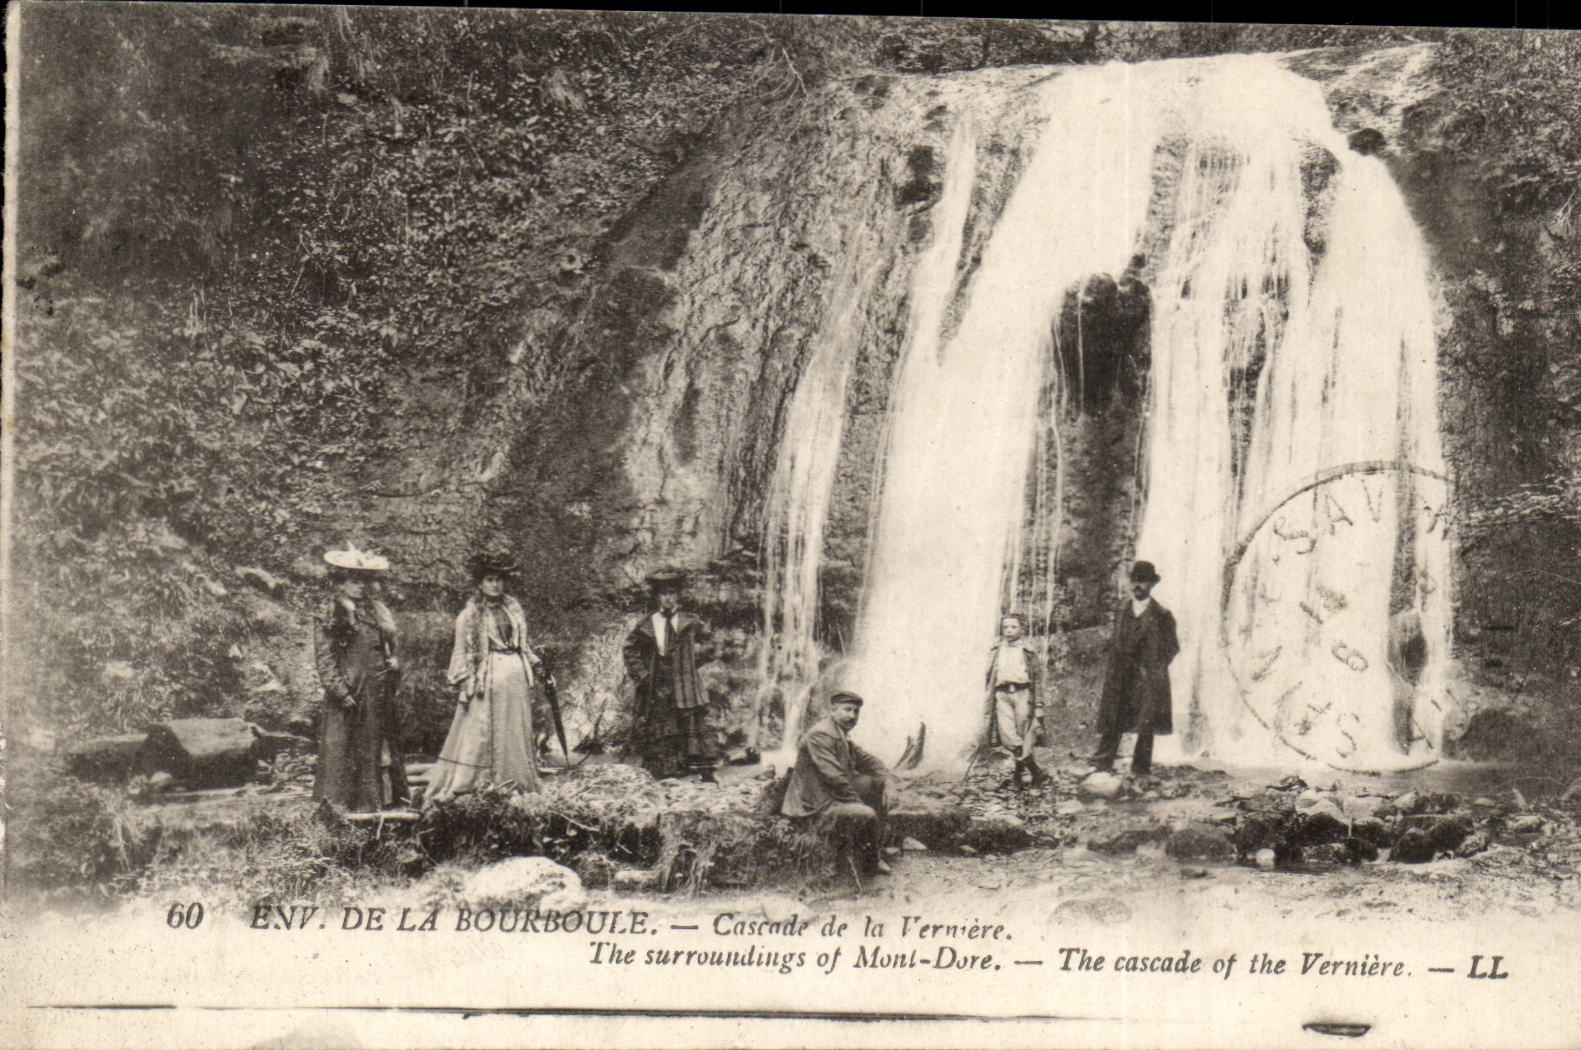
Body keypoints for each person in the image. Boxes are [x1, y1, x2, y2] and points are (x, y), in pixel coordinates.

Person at [424, 550, 544, 805]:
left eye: (499, 579)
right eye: (490, 579)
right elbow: (461, 651)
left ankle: (514, 782)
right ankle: (478, 783)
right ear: (480, 583)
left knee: (514, 729)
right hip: (487, 679)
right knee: (481, 729)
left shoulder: (513, 610)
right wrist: (465, 681)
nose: (495, 584)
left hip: (516, 678)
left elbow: (523, 645)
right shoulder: (469, 616)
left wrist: (537, 665)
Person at [313, 545, 410, 811]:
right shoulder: (332, 613)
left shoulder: (376, 611)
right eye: (354, 580)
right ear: (341, 582)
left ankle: (379, 803)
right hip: (351, 692)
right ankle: (340, 807)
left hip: (378, 691)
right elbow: (324, 657)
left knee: (378, 745)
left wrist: (393, 662)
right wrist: (340, 691)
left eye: (364, 580)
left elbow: (389, 646)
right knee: (344, 747)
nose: (360, 586)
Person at [782, 691, 891, 876]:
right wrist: (859, 804)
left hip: (828, 795)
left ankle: (872, 845)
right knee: (868, 814)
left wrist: (888, 782)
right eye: (847, 710)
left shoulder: (839, 733)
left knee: (875, 784)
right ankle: (870, 863)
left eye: (856, 711)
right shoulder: (821, 735)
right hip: (813, 806)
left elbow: (869, 761)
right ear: (832, 710)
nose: (852, 716)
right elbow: (835, 778)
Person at [623, 569, 717, 781]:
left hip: (685, 682)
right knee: (661, 724)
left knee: (691, 720)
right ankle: (664, 773)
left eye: (671, 593)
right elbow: (630, 649)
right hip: (658, 683)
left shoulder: (690, 620)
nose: (668, 598)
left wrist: (693, 661)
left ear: (678, 595)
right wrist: (643, 675)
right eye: (663, 594)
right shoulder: (648, 622)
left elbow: (711, 642)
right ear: (657, 596)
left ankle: (698, 771)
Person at [1091, 560, 1180, 777]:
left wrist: (1154, 667)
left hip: (1147, 677)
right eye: (1135, 580)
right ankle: (1102, 764)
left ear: (1152, 584)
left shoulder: (1162, 615)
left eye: (1143, 581)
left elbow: (1172, 646)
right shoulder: (1122, 611)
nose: (1138, 585)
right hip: (1121, 674)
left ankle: (1140, 770)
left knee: (1146, 723)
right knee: (1114, 717)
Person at [984, 612, 1049, 788]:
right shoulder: (996, 650)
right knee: (1008, 737)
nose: (1009, 630)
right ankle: (1036, 771)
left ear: (1022, 629)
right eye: (1005, 627)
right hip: (1002, 695)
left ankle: (1018, 777)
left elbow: (1037, 679)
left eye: (1013, 627)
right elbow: (989, 677)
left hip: (1022, 694)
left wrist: (1039, 704)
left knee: (1023, 734)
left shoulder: (1028, 651)